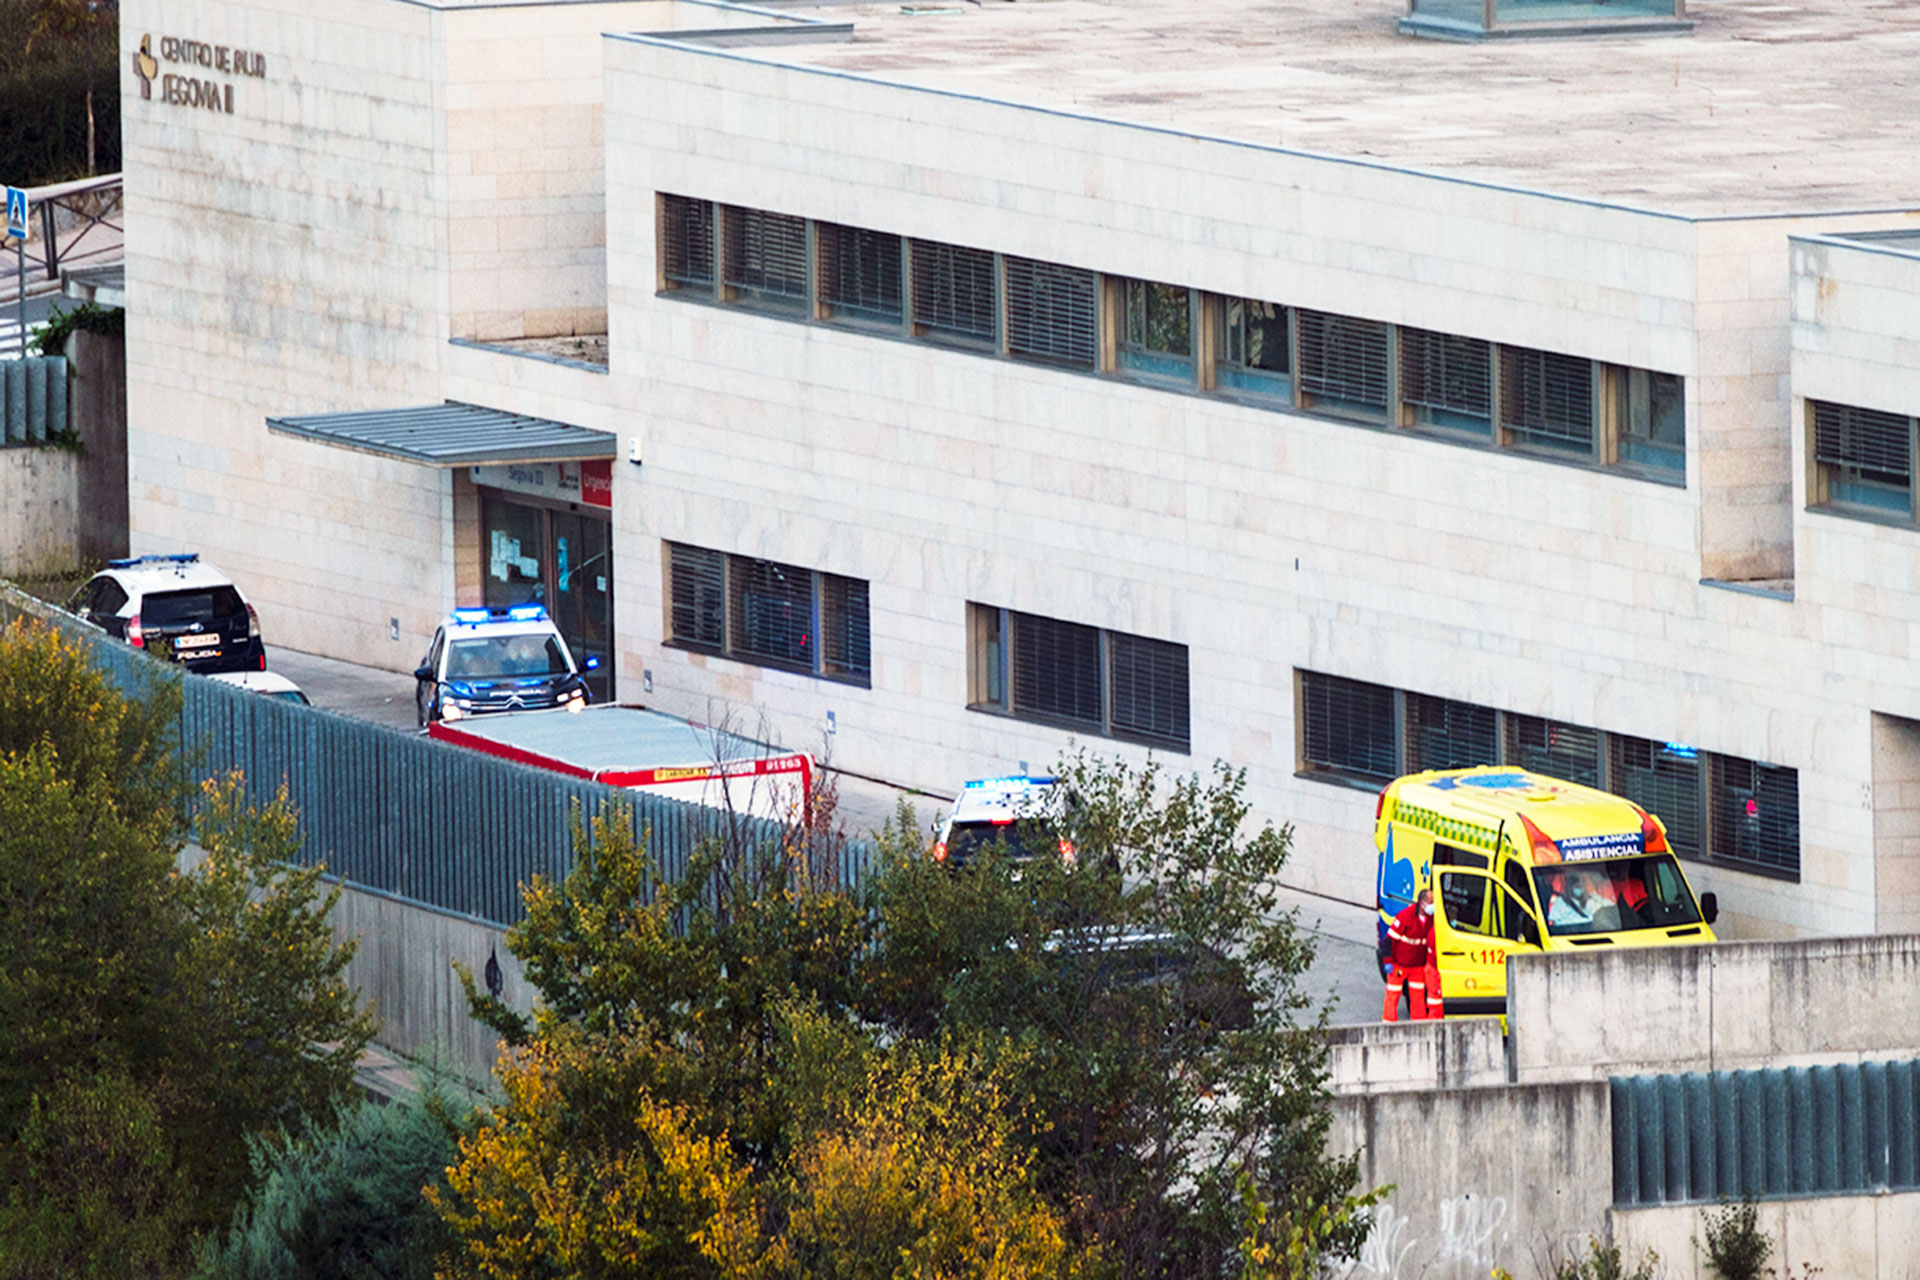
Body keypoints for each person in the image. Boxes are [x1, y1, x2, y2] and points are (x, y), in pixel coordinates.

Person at [1383, 888, 1444, 1022]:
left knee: (1418, 998)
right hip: (1399, 964)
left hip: (1418, 966)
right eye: (1431, 902)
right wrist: (1388, 961)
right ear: (1422, 903)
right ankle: (1388, 1025)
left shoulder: (1432, 918)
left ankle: (1418, 1025)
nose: (1434, 905)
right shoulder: (1405, 916)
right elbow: (1389, 940)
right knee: (1392, 995)